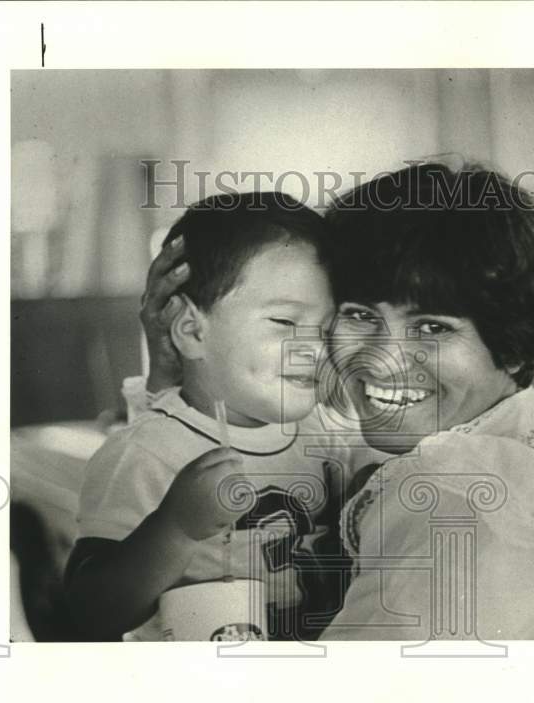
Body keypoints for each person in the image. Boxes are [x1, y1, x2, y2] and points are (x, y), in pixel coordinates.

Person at [140, 162, 534, 640]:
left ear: (516, 345)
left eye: (433, 327)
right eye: (359, 315)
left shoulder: (459, 498)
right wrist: (180, 377)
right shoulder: (503, 459)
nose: (382, 360)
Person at [65, 192, 352, 641]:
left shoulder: (327, 438)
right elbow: (87, 615)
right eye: (283, 322)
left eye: (328, 328)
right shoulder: (146, 451)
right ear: (192, 330)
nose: (314, 349)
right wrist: (174, 529)